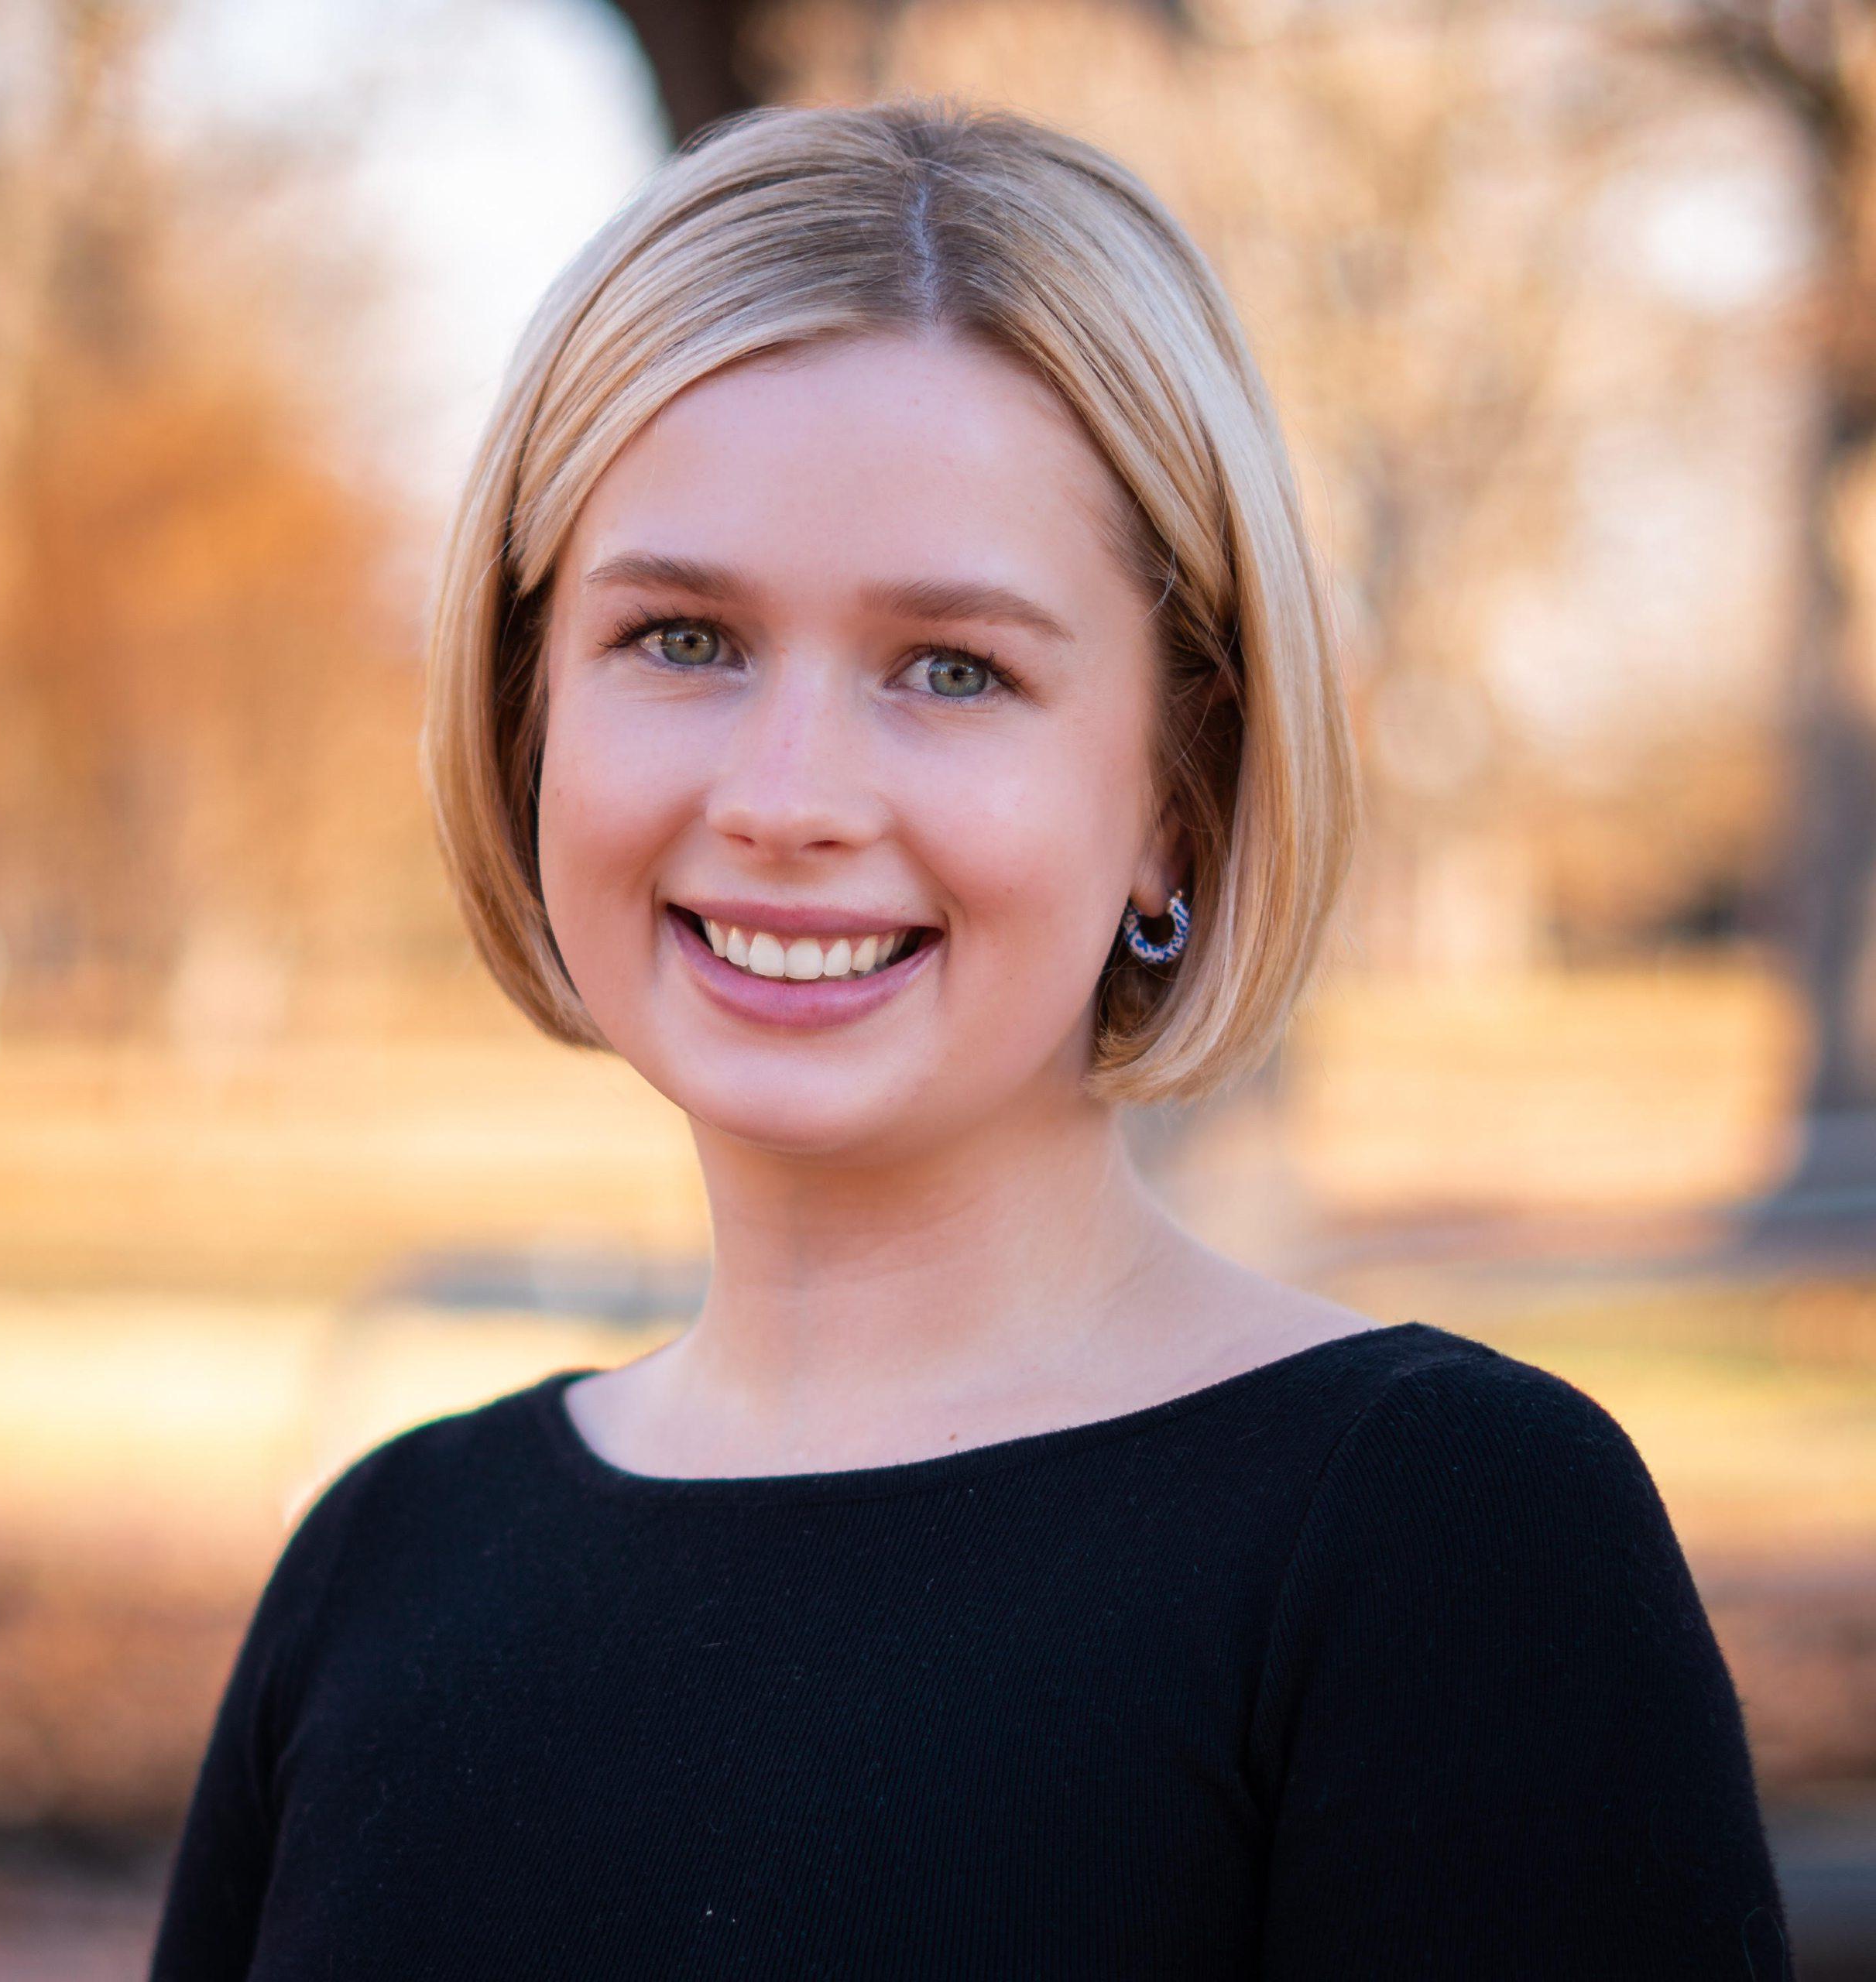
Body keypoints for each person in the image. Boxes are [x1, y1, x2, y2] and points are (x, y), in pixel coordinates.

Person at [147, 96, 1794, 1980]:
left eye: (953, 669)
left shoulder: (1441, 1543)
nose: (786, 794)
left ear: (1176, 788)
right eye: (682, 637)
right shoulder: (380, 1565)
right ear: (530, 710)